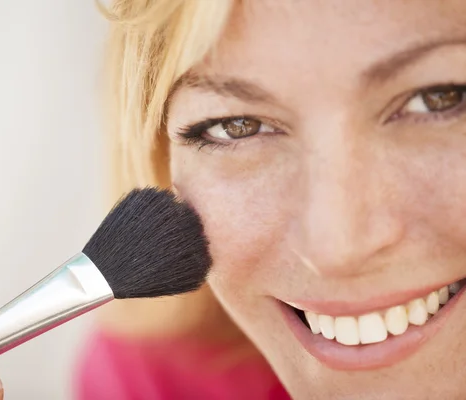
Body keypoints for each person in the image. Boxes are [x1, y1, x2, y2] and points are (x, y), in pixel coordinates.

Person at [74, 0, 466, 399]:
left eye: (440, 98)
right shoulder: (157, 379)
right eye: (237, 127)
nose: (337, 251)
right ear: (161, 157)